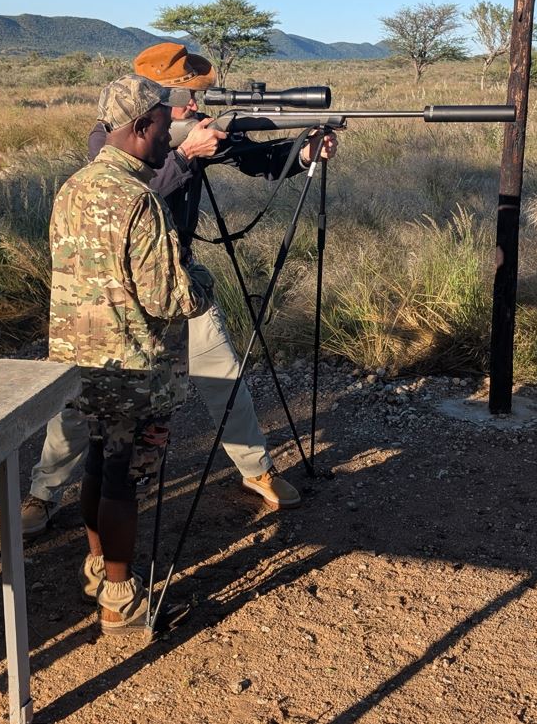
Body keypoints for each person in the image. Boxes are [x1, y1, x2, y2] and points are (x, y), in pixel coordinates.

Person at [22, 42, 337, 537]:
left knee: (223, 372)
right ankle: (43, 492)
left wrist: (304, 152)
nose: (195, 107)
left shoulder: (185, 130)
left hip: (180, 276)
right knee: (80, 401)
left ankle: (256, 469)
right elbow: (136, 197)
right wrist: (186, 156)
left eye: (196, 97)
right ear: (149, 110)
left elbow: (259, 160)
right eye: (184, 98)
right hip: (117, 301)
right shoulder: (108, 141)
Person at [49, 73, 214, 634]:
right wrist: (202, 277)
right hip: (131, 368)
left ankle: (98, 569)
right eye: (166, 127)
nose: (172, 136)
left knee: (98, 462)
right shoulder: (139, 200)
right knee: (122, 478)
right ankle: (120, 600)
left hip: (77, 364)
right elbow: (171, 298)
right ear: (141, 127)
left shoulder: (73, 186)